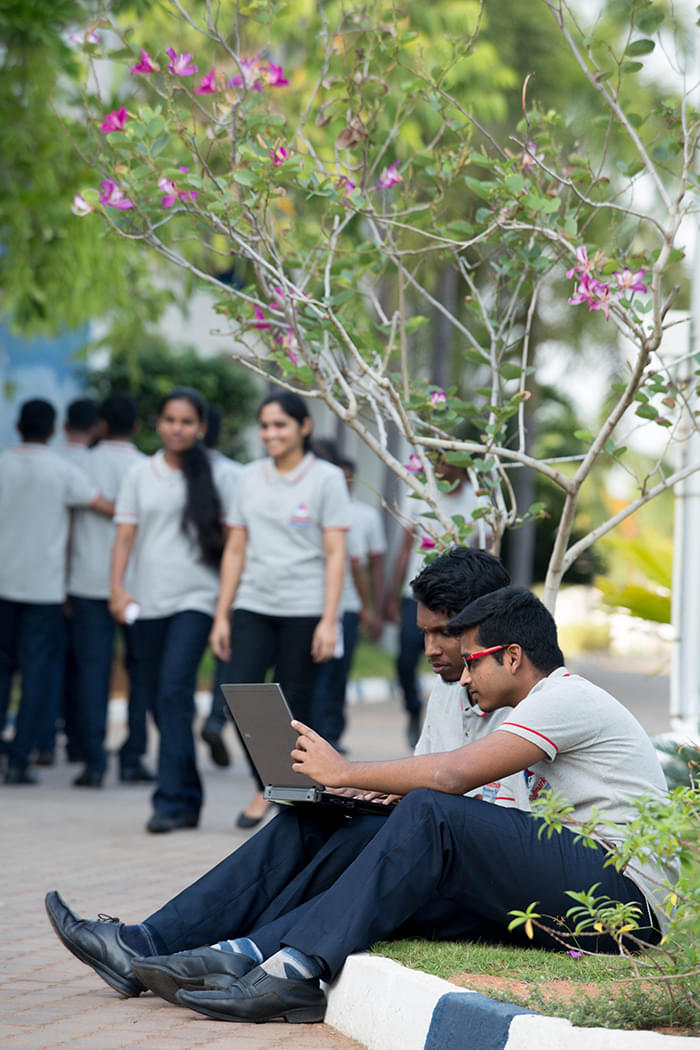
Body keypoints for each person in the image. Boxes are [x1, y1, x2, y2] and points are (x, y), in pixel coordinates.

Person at [46, 583, 678, 1025]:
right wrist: (354, 791)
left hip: (620, 902)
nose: (462, 677)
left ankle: (295, 970)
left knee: (428, 812)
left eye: (474, 663)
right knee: (356, 826)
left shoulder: (564, 699)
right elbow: (473, 801)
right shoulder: (518, 710)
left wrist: (347, 768)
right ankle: (243, 954)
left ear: (514, 656)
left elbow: (453, 777)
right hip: (564, 886)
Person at [209, 391, 350, 829]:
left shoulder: (326, 478)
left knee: (295, 708)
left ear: (304, 427)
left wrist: (330, 620)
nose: (270, 433)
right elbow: (234, 549)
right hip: (253, 602)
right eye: (265, 425)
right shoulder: (248, 478)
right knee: (240, 698)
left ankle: (282, 795)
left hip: (305, 607)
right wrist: (222, 613)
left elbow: (335, 553)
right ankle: (267, 782)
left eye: (280, 425)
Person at [110, 388, 238, 833]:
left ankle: (167, 801)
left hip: (196, 600)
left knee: (172, 691)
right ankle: (187, 796)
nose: (177, 428)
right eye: (169, 420)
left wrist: (226, 605)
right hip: (146, 602)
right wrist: (116, 589)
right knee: (162, 705)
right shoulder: (139, 474)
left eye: (186, 421)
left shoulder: (222, 476)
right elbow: (125, 535)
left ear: (201, 427)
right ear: (157, 424)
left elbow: (235, 544)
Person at [0, 399, 112, 784]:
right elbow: (103, 506)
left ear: (17, 425)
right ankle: (19, 761)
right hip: (44, 592)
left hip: (2, 588)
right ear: (52, 430)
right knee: (35, 677)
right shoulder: (62, 471)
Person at [66, 394, 146, 788]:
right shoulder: (148, 467)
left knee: (91, 673)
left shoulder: (79, 464)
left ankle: (93, 761)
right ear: (136, 426)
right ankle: (132, 758)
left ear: (99, 424)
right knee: (140, 673)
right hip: (138, 588)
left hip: (86, 583)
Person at [386, 457, 490, 748]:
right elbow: (405, 548)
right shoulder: (422, 494)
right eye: (437, 462)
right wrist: (391, 594)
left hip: (460, 600)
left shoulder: (476, 500)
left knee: (460, 659)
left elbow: (487, 549)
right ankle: (412, 710)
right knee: (406, 659)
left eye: (448, 462)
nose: (441, 469)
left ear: (464, 463)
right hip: (418, 597)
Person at [311, 454, 387, 751]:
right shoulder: (318, 510)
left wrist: (368, 609)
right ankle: (315, 733)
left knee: (336, 675)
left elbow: (360, 566)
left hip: (346, 609)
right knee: (317, 674)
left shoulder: (361, 515)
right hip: (311, 607)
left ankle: (331, 733)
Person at [199, 406, 243, 770]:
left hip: (185, 583)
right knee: (225, 659)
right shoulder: (236, 475)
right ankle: (215, 719)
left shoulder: (177, 470)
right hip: (228, 581)